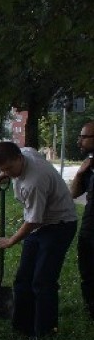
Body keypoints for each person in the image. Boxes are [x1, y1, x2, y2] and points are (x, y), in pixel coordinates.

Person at [0, 142, 77, 338]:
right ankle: (22, 328)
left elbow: (33, 221)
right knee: (23, 279)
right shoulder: (25, 153)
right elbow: (34, 222)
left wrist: (11, 240)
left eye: (10, 168)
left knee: (42, 281)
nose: (8, 173)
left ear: (19, 159)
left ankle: (44, 335)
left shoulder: (35, 181)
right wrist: (7, 172)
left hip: (59, 225)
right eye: (3, 169)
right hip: (41, 225)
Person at [70, 121, 94, 318]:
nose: (80, 140)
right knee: (87, 269)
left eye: (84, 137)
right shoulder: (89, 164)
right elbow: (74, 193)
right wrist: (79, 173)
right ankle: (91, 310)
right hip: (89, 224)